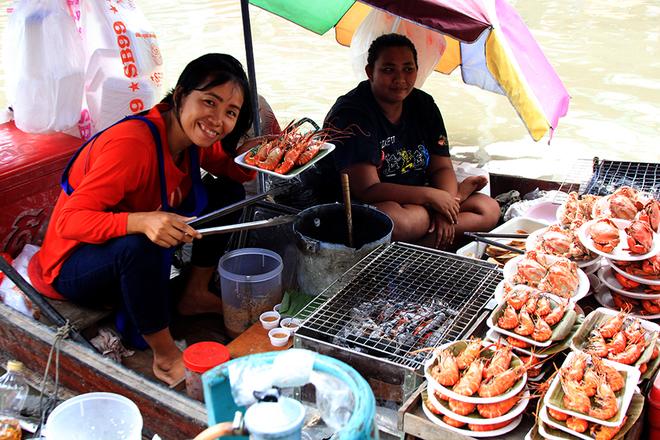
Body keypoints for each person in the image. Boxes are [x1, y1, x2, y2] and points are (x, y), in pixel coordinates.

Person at [28, 53, 257, 386]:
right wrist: (140, 221)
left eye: (230, 113)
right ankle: (164, 356)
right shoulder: (132, 145)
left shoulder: (194, 137)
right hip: (71, 267)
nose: (217, 120)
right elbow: (69, 221)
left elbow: (232, 169)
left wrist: (266, 153)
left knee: (229, 193)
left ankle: (193, 294)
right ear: (180, 94)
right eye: (209, 102)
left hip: (122, 246)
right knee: (141, 243)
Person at [319, 33, 500, 249]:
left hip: (419, 198)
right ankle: (446, 217)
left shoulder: (423, 105)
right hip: (367, 205)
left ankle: (424, 243)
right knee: (397, 222)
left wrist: (445, 207)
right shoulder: (351, 114)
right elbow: (367, 189)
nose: (400, 79)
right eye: (388, 69)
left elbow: (441, 167)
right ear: (370, 72)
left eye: (408, 69)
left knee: (489, 209)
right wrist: (432, 198)